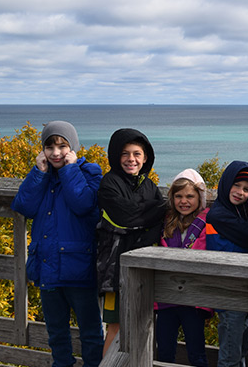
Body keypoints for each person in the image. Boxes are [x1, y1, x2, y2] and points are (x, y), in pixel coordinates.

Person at [11, 121, 104, 367]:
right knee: (57, 335)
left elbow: (84, 204)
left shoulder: (89, 172)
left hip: (79, 268)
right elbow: (23, 206)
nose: (55, 153)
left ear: (72, 147)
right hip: (47, 268)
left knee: (91, 333)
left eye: (62, 146)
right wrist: (38, 172)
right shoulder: (42, 175)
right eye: (49, 147)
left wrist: (70, 169)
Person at [96, 128, 167, 355]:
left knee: (142, 324)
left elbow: (159, 221)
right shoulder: (109, 183)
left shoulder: (149, 186)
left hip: (143, 267)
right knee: (116, 327)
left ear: (146, 157)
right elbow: (124, 217)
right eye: (125, 153)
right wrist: (151, 211)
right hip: (114, 271)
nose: (131, 159)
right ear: (116, 155)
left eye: (137, 153)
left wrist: (145, 220)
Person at [205, 161, 248, 367]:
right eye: (236, 185)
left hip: (242, 289)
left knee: (242, 350)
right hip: (228, 292)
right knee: (230, 354)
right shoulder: (218, 213)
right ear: (226, 183)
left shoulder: (237, 213)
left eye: (247, 189)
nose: (240, 192)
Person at [156, 168, 212, 366]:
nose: (184, 201)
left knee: (196, 352)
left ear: (200, 198)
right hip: (167, 298)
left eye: (190, 196)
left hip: (193, 299)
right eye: (178, 196)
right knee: (163, 351)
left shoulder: (207, 223)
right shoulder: (165, 222)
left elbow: (205, 251)